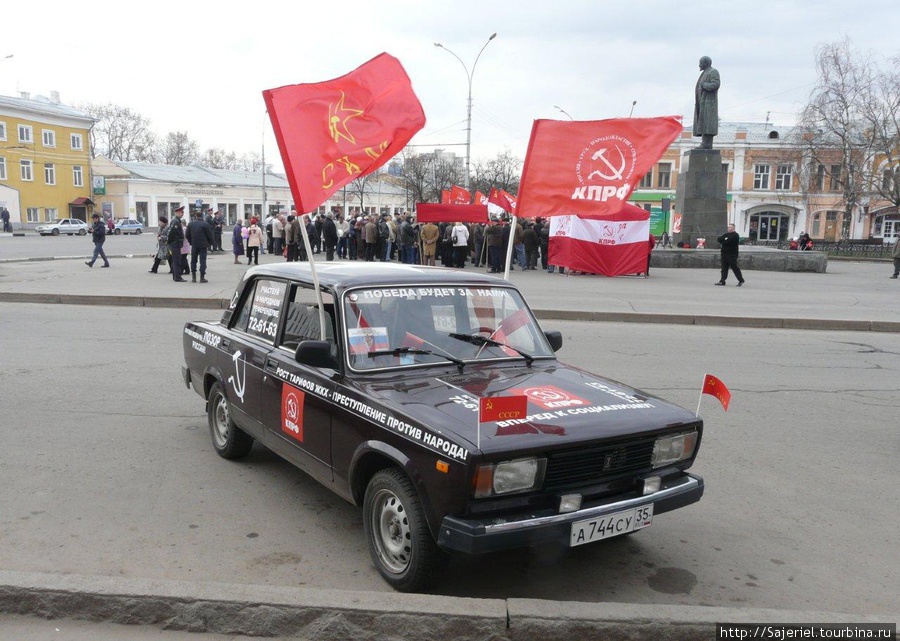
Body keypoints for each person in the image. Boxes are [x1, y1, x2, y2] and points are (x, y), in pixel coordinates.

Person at [694, 56, 720, 150]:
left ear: (706, 63)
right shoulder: (704, 73)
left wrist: (704, 85)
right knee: (704, 123)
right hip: (702, 103)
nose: (699, 65)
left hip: (709, 103)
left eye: (700, 63)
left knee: (708, 123)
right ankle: (704, 143)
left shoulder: (713, 71)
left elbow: (716, 84)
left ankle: (707, 144)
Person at [186, 210, 213, 282]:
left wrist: (191, 242)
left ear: (195, 216)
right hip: (203, 245)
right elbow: (209, 235)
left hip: (194, 244)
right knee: (203, 261)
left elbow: (187, 235)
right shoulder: (205, 224)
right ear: (202, 216)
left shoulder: (191, 224)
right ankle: (202, 277)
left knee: (193, 260)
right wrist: (210, 243)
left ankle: (193, 277)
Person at [167, 206, 186, 281]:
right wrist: (173, 242)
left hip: (175, 243)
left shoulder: (177, 220)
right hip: (175, 243)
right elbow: (172, 233)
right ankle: (177, 277)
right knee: (177, 261)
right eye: (181, 212)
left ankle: (176, 276)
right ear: (177, 213)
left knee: (176, 260)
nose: (182, 214)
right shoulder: (176, 221)